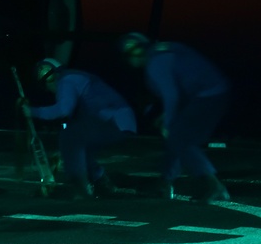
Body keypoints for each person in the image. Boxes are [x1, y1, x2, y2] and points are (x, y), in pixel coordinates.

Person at [120, 32, 231, 203]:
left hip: (208, 96)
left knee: (179, 138)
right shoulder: (160, 52)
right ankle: (164, 183)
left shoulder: (155, 62)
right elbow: (180, 88)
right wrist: (167, 116)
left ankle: (214, 186)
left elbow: (171, 95)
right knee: (176, 137)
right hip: (205, 95)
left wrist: (168, 121)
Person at [20, 58, 136, 199]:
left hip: (115, 121)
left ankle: (80, 188)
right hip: (119, 121)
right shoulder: (74, 78)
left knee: (69, 136)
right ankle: (102, 185)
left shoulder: (66, 80)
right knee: (78, 142)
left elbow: (63, 110)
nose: (50, 89)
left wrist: (32, 111)